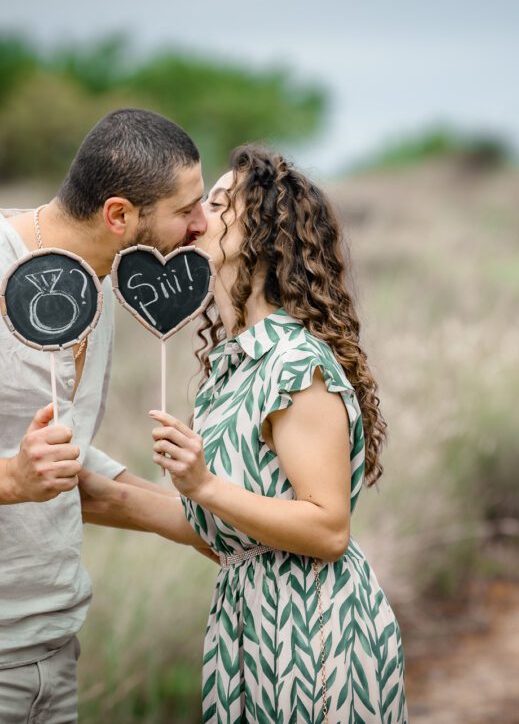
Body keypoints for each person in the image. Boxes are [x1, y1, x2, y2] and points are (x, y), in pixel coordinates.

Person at [79, 144, 409, 723]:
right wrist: (92, 488)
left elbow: (328, 529)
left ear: (262, 232)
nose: (196, 217)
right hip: (248, 623)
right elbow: (222, 528)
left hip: (312, 633)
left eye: (216, 203)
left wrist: (204, 485)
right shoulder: (235, 364)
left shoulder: (294, 365)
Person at [0, 108, 215, 723]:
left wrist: (217, 526)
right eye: (186, 210)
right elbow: (25, 472)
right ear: (119, 215)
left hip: (52, 645)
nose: (203, 224)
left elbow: (67, 464)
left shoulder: (99, 285)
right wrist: (12, 479)